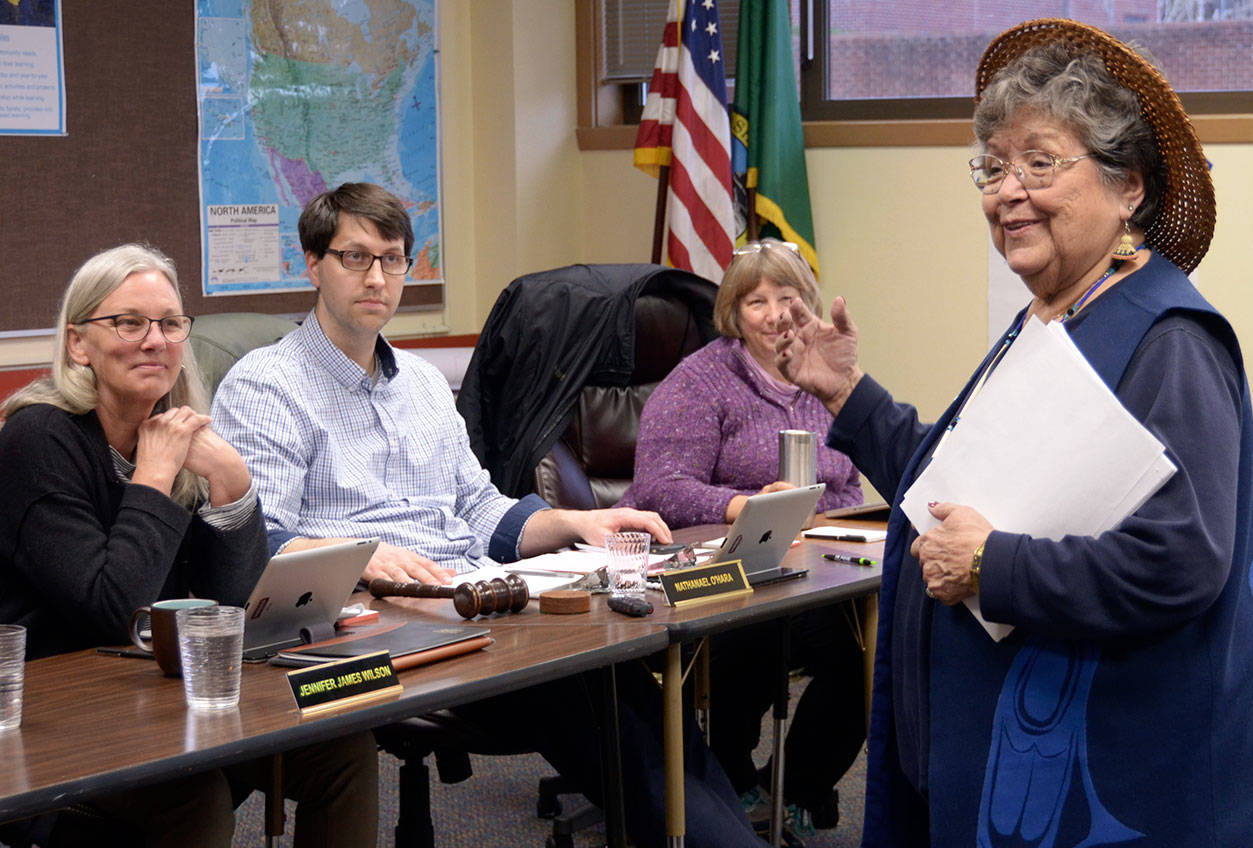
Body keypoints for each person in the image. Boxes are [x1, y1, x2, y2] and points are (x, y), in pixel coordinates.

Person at [774, 19, 1253, 847]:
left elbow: (1181, 558)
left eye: (1041, 163)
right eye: (994, 167)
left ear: (1130, 189)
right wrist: (846, 393)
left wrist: (991, 564)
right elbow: (958, 484)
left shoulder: (1169, 341)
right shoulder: (1057, 318)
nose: (1006, 191)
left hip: (1127, 784)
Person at [210, 182, 766, 848]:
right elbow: (262, 543)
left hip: (474, 599)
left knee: (634, 685)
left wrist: (578, 525)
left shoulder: (418, 382)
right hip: (377, 623)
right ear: (312, 264)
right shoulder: (266, 383)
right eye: (355, 258)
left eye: (392, 259)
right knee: (591, 704)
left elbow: (479, 509)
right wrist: (358, 556)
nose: (377, 276)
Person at [0, 244, 378, 847]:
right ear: (78, 344)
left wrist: (233, 487)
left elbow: (237, 607)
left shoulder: (175, 428)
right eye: (129, 323)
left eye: (171, 323)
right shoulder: (36, 438)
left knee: (344, 751)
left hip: (159, 692)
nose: (156, 340)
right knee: (195, 799)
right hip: (59, 714)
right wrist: (151, 481)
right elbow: (110, 608)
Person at [619, 238, 866, 833]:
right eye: (757, 301)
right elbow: (659, 488)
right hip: (710, 567)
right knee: (751, 630)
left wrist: (827, 525)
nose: (777, 314)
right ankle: (727, 778)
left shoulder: (823, 377)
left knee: (868, 653)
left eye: (788, 297)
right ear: (733, 312)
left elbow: (847, 484)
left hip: (813, 566)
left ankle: (793, 787)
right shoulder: (700, 382)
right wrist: (745, 506)